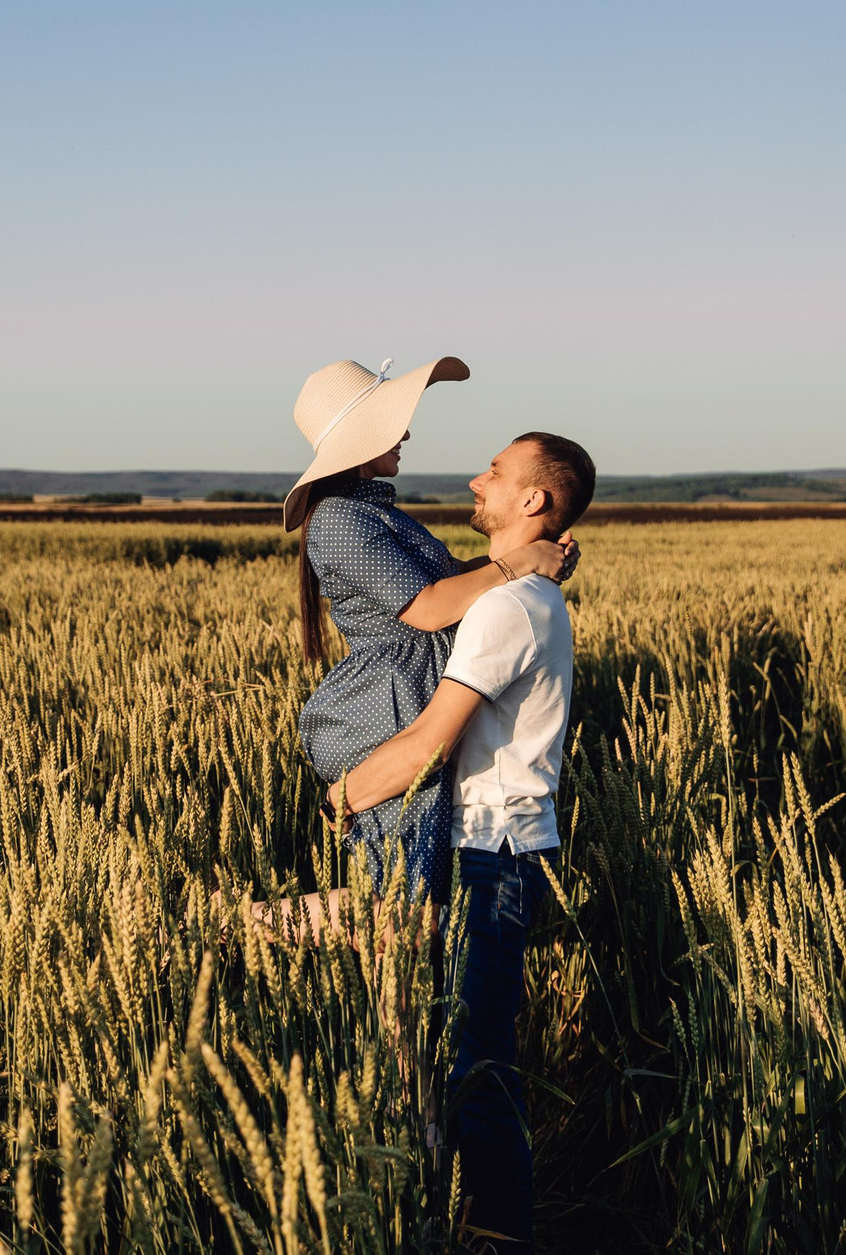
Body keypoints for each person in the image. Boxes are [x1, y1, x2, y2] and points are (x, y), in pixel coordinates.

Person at [327, 431, 595, 1252]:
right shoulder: (521, 598)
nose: (476, 480)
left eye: (497, 472)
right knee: (468, 1054)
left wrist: (344, 793)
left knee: (477, 1067)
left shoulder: (509, 609)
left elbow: (431, 742)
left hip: (492, 855)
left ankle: (501, 1235)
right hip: (499, 850)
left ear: (533, 503)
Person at [286, 358, 576, 901]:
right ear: (359, 437)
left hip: (406, 701)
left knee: (408, 909)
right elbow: (430, 607)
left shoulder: (374, 512)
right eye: (393, 422)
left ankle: (239, 923)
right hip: (383, 712)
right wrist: (522, 561)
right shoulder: (338, 519)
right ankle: (235, 924)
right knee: (402, 908)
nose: (408, 432)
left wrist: (534, 557)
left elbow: (451, 583)